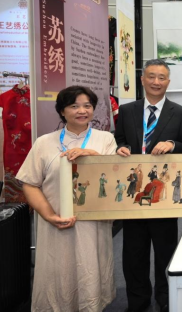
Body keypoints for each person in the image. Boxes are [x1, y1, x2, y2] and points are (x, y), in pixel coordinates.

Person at [17, 85, 117, 311]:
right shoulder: (44, 142)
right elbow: (30, 183)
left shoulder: (105, 140)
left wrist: (92, 155)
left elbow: (113, 178)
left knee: (90, 269)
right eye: (74, 106)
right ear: (62, 111)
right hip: (56, 222)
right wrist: (49, 215)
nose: (82, 111)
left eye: (87, 106)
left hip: (93, 224)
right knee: (57, 272)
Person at [115, 59, 182, 312]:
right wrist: (121, 148)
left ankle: (165, 297)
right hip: (134, 193)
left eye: (161, 78)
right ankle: (138, 300)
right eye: (151, 76)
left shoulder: (180, 113)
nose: (156, 82)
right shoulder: (127, 111)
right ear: (142, 79)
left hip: (163, 194)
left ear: (168, 82)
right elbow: (119, 140)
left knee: (165, 251)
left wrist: (172, 144)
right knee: (133, 252)